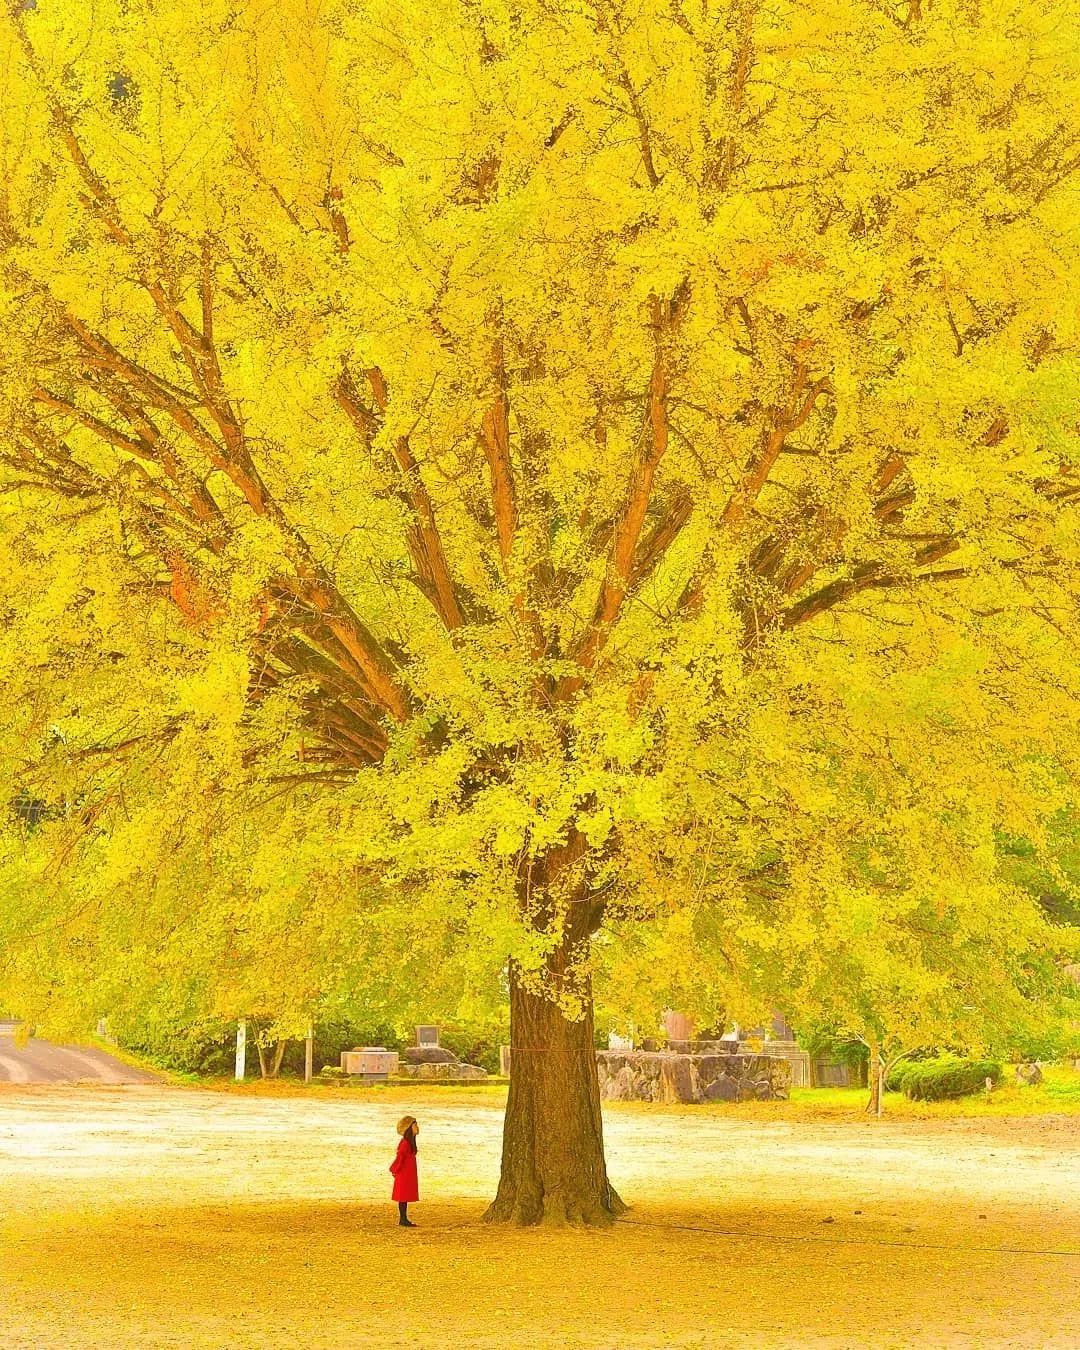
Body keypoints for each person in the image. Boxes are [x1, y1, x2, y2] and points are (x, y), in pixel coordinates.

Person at [390, 1115, 419, 1227]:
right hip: (403, 1174)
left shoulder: (408, 1142)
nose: (417, 1127)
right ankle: (403, 1219)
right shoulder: (405, 1143)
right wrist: (395, 1169)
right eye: (415, 1125)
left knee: (404, 1197)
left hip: (407, 1173)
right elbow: (400, 1157)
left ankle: (404, 1218)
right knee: (403, 1197)